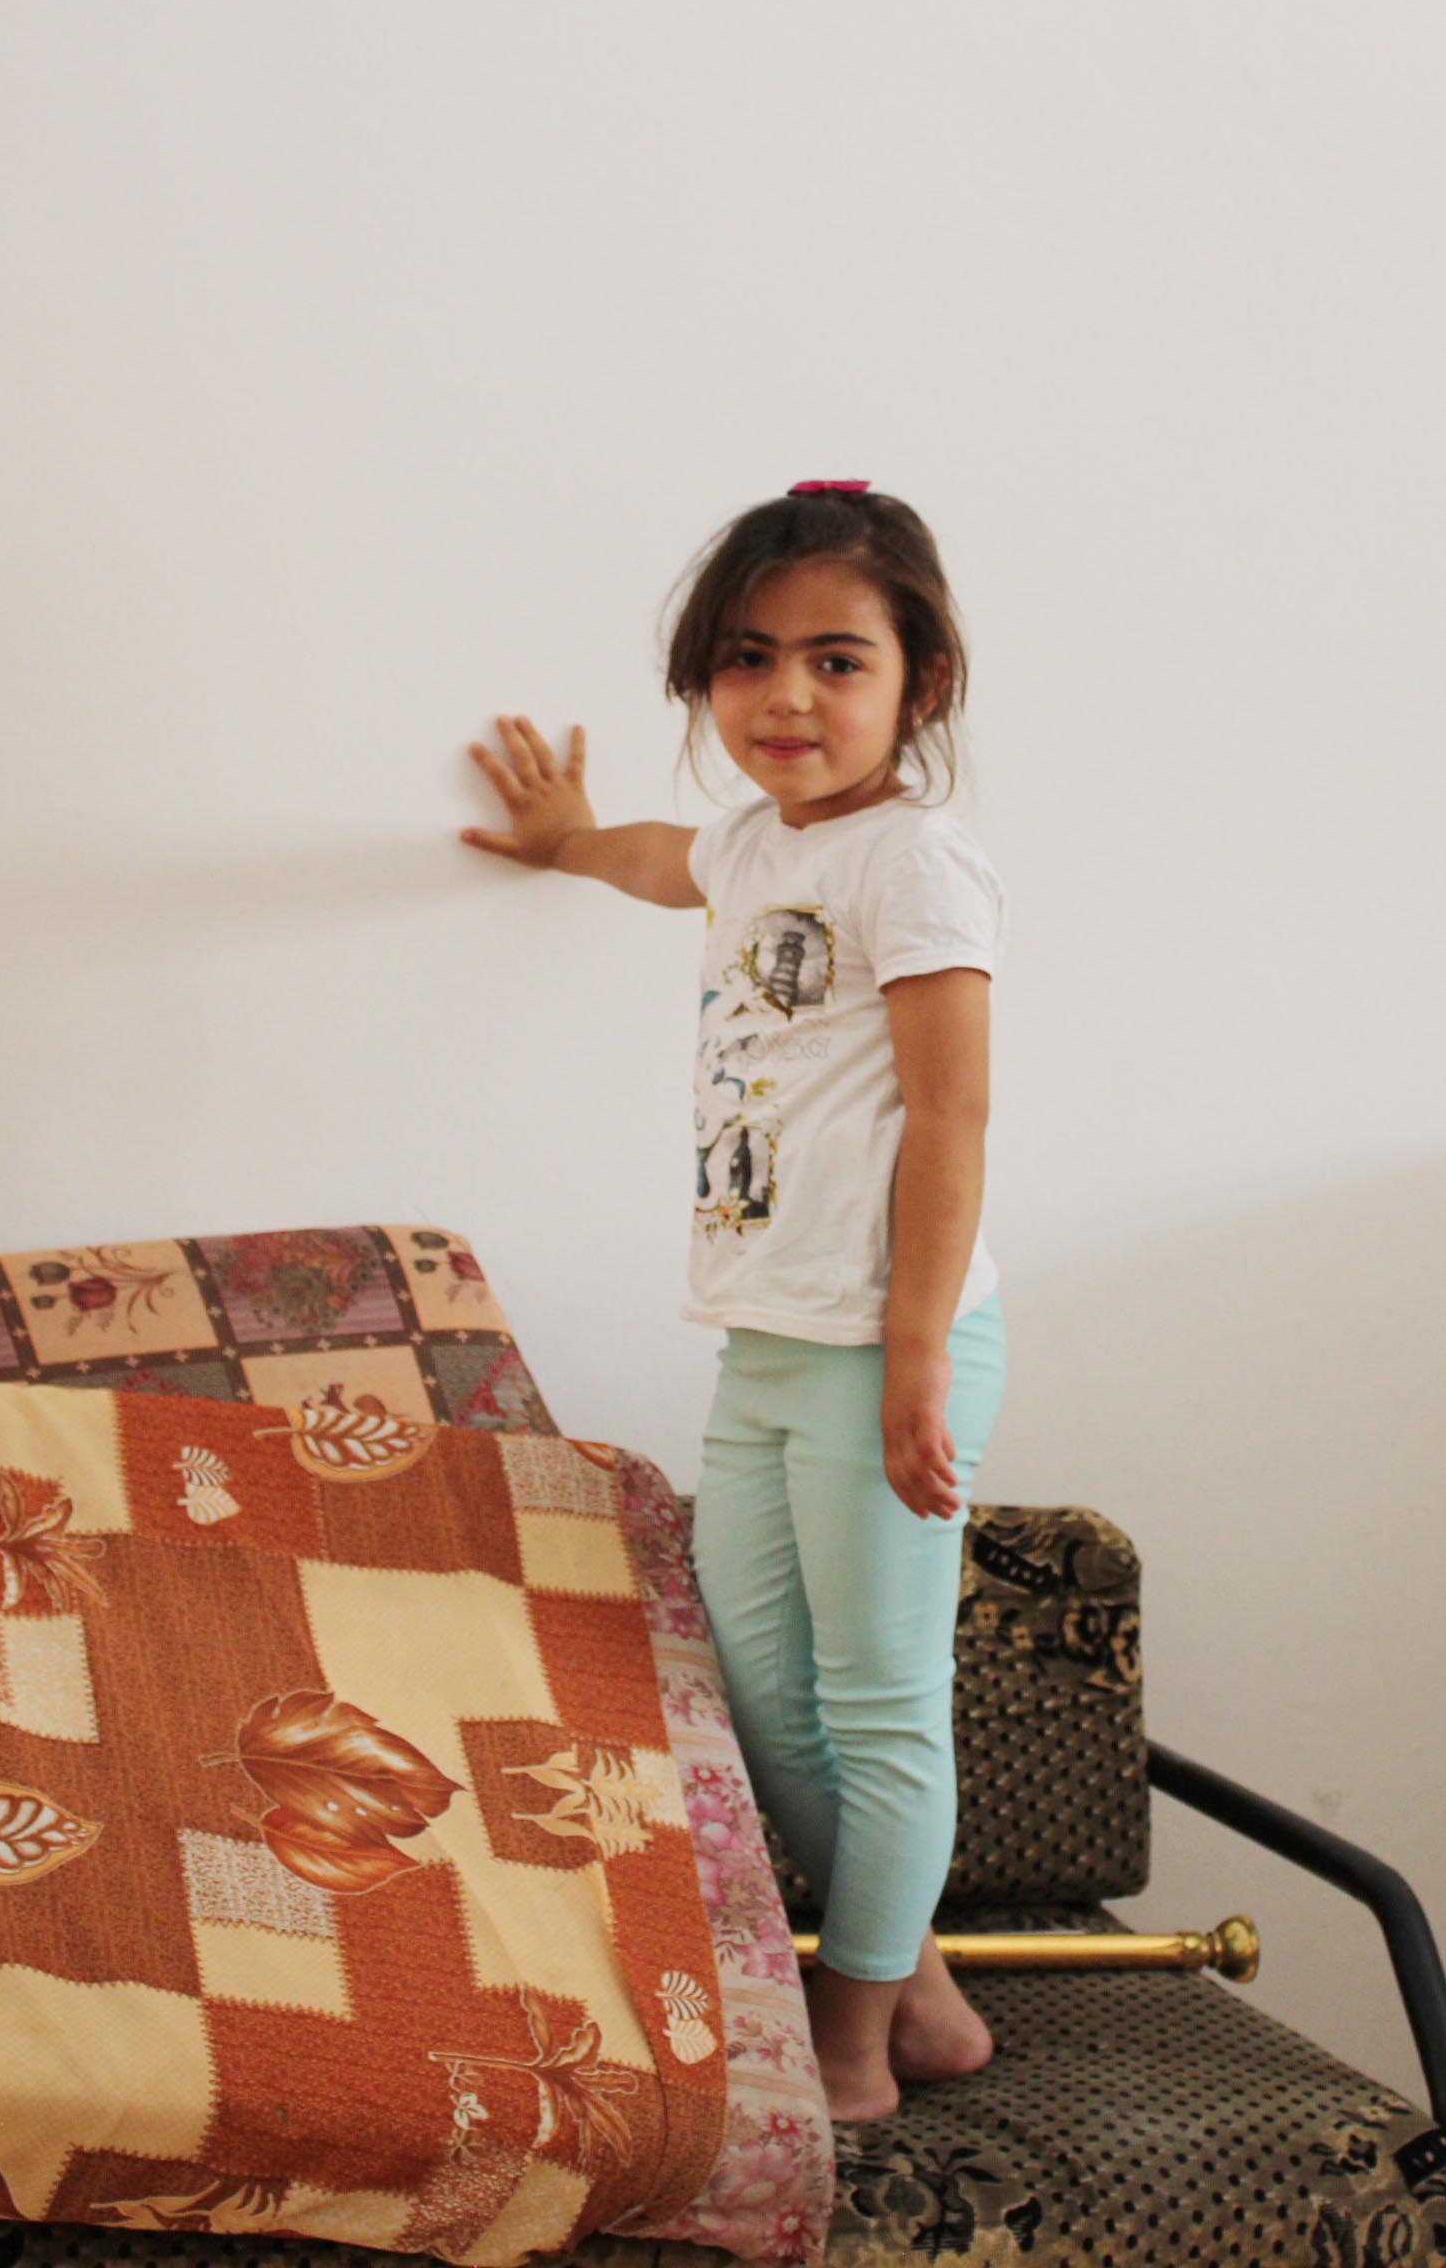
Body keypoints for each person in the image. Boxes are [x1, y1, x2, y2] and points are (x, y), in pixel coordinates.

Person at [460, 481, 1006, 2124]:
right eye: (747, 660)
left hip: (888, 1345)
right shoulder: (760, 844)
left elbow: (954, 1118)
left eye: (838, 661)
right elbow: (658, 862)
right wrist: (564, 841)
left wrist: (915, 1362)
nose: (787, 697)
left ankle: (854, 2040)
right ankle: (921, 1989)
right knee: (762, 1688)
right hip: (768, 1339)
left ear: (922, 685)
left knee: (882, 1701)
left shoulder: (918, 863)